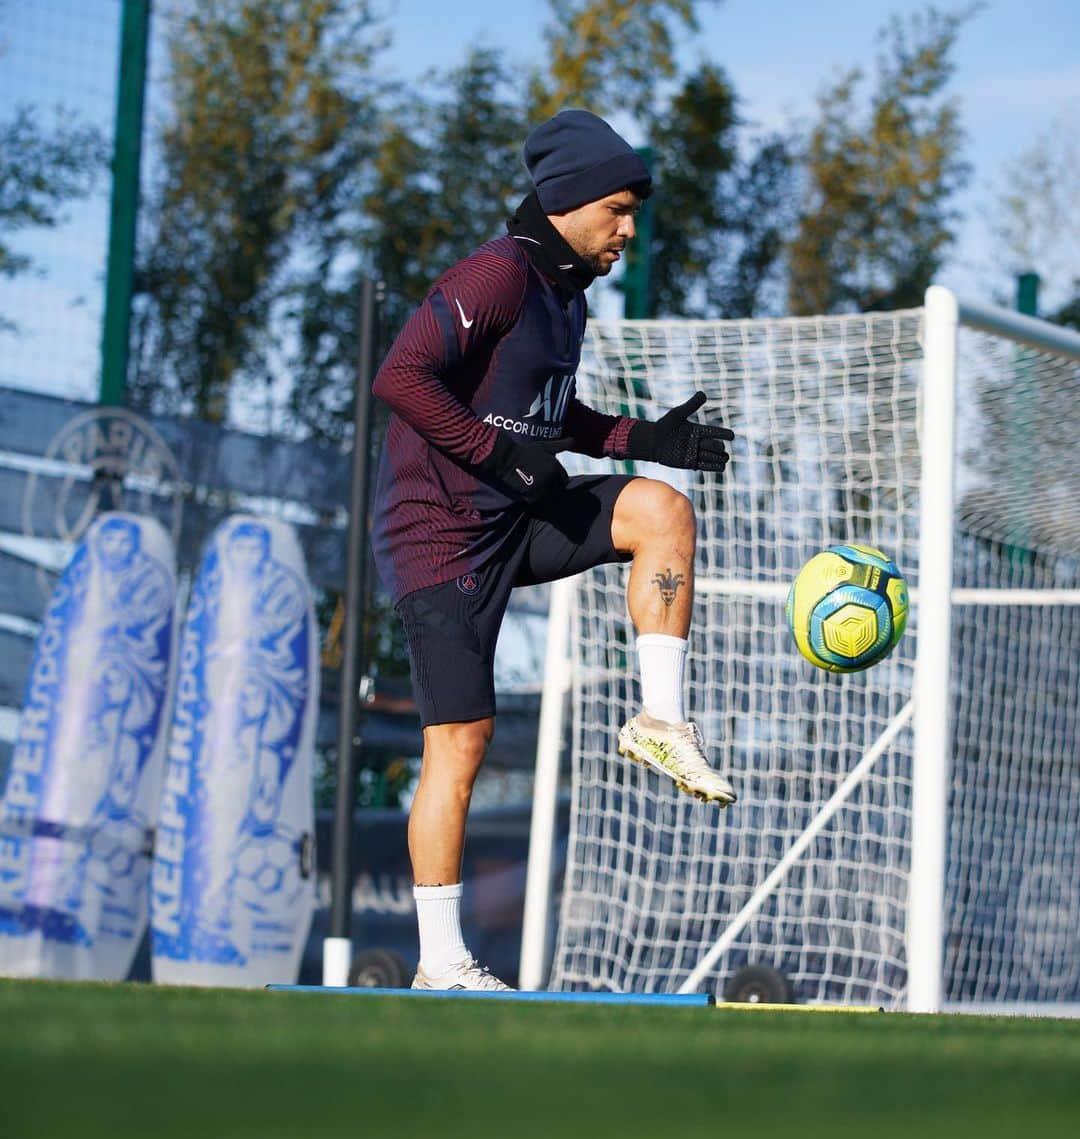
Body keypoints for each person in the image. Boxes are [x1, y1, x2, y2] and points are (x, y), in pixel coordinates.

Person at [371, 109, 737, 992]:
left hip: (516, 513)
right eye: (616, 208)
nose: (628, 229)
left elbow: (548, 414)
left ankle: (659, 719)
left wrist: (648, 439)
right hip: (440, 533)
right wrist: (502, 458)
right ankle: (441, 962)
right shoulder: (494, 273)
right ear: (567, 202)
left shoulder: (565, 295)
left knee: (661, 509)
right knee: (460, 742)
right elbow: (402, 377)